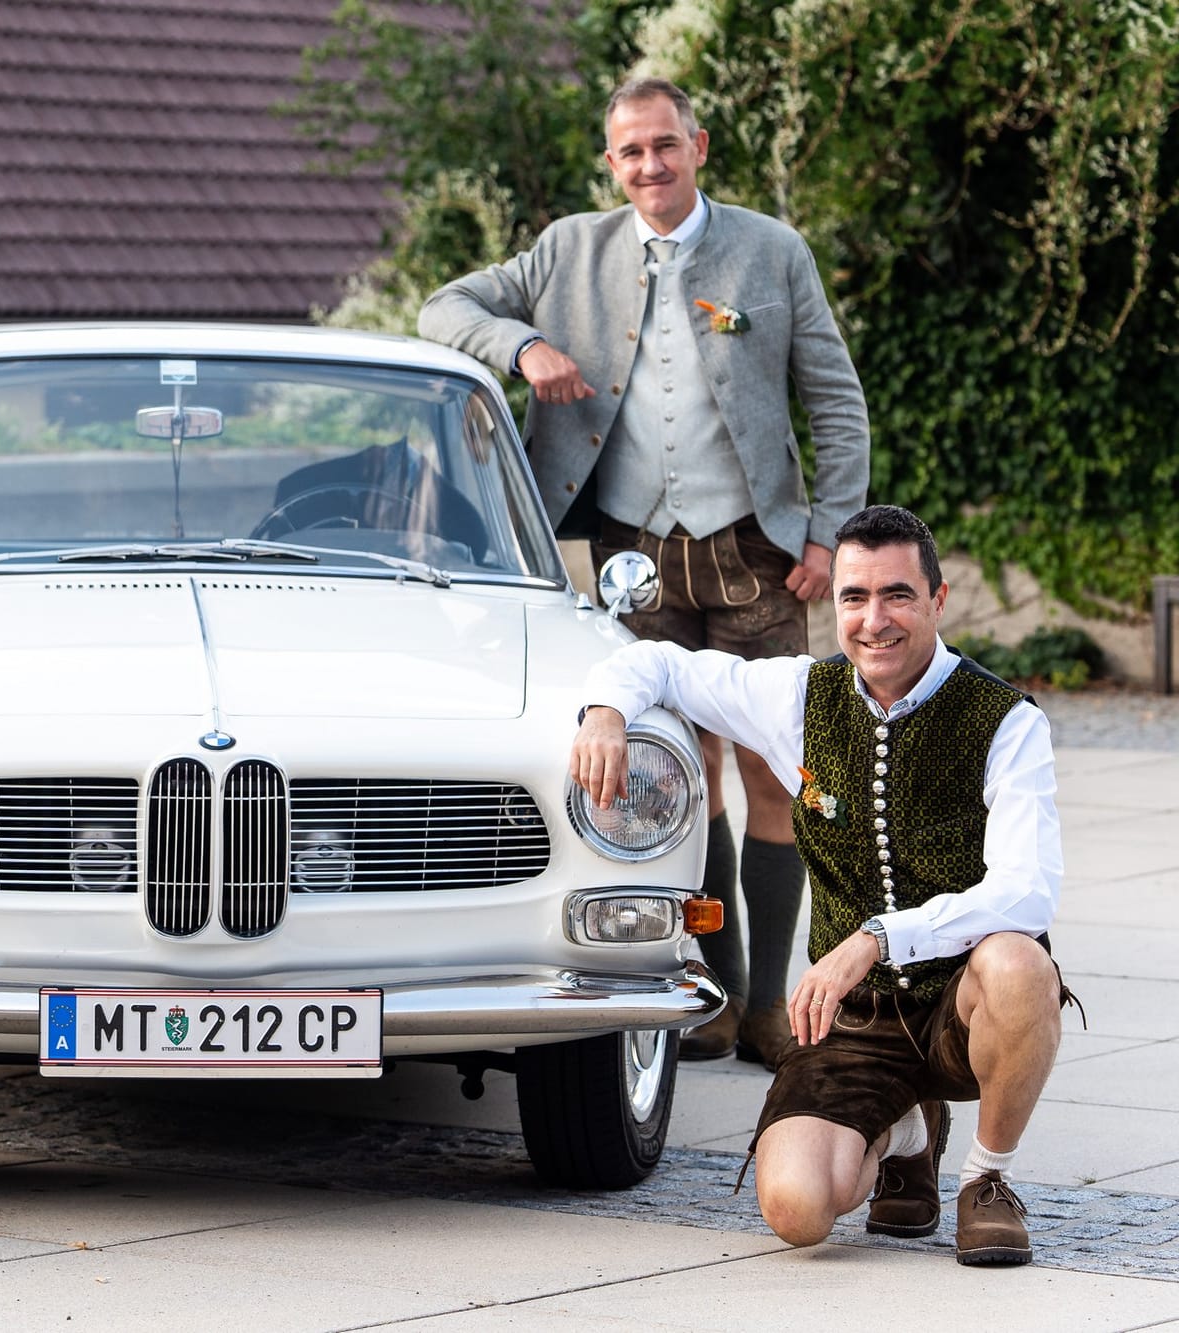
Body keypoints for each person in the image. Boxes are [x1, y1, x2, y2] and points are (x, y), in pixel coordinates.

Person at [419, 78, 870, 1067]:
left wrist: (827, 535)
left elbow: (836, 404)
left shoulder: (768, 252)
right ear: (610, 162)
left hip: (755, 548)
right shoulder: (563, 252)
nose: (648, 166)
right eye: (629, 153)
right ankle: (718, 992)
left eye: (664, 146)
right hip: (630, 558)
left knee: (768, 764)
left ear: (697, 146)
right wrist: (523, 343)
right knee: (681, 764)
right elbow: (439, 309)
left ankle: (771, 1006)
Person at [569, 504, 1071, 1265]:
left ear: (938, 600)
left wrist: (877, 938)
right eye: (854, 597)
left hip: (961, 1004)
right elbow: (663, 663)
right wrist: (605, 713)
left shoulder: (1005, 721)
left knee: (1020, 962)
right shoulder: (800, 696)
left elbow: (1029, 890)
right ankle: (907, 1130)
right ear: (831, 604)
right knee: (798, 1210)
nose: (876, 620)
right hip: (854, 1021)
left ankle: (986, 1179)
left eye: (898, 594)